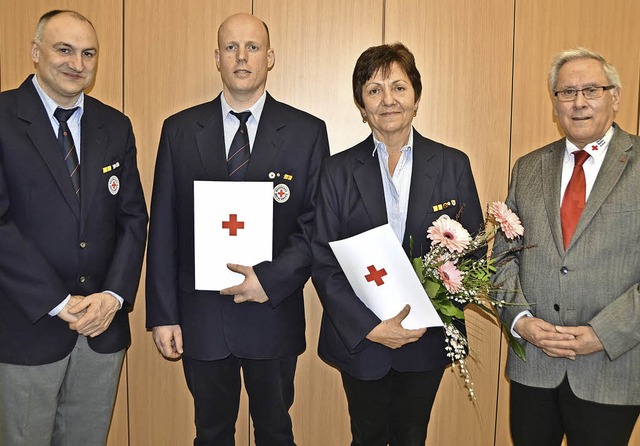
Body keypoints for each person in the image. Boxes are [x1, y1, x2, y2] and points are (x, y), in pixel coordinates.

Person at [145, 12, 329, 446]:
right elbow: (164, 229)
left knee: (275, 432)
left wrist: (271, 279)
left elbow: (316, 226)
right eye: (231, 47)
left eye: (252, 48)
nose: (241, 57)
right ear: (217, 58)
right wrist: (163, 315)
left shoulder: (307, 132)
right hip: (201, 318)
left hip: (273, 311)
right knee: (210, 432)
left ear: (270, 58)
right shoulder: (179, 130)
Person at [311, 43, 483, 446]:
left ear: (416, 97)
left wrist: (434, 309)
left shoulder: (452, 165)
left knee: (412, 437)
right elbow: (324, 260)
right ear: (361, 105)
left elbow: (472, 252)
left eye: (399, 87)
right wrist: (369, 327)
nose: (388, 100)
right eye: (374, 90)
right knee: (366, 436)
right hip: (361, 339)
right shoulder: (336, 171)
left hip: (425, 338)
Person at [0, 10, 148, 446]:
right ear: (35, 52)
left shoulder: (115, 125)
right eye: (64, 50)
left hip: (101, 330)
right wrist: (58, 300)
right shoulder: (4, 118)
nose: (77, 64)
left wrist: (113, 297)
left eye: (88, 53)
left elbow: (133, 218)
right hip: (27, 328)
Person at [492, 47, 640, 446]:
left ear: (616, 97)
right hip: (534, 369)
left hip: (611, 368)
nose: (578, 102)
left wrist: (603, 333)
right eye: (566, 92)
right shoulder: (528, 168)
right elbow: (503, 258)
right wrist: (521, 321)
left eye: (591, 90)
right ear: (554, 103)